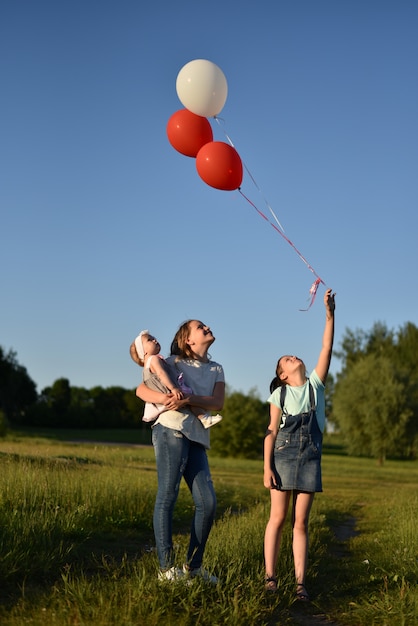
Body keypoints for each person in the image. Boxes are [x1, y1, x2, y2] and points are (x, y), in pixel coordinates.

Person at [135, 320, 225, 583]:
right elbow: (141, 389)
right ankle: (165, 570)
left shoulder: (216, 368)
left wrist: (186, 399)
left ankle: (193, 569)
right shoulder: (171, 361)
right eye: (200, 326)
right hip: (170, 429)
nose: (207, 327)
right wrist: (166, 399)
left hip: (197, 437)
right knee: (168, 494)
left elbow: (217, 402)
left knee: (207, 503)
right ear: (188, 340)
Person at [263, 288, 336, 600]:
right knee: (278, 519)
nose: (294, 357)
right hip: (281, 458)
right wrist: (266, 467)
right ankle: (270, 579)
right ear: (282, 374)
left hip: (309, 458)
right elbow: (270, 431)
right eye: (287, 359)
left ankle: (300, 584)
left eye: (293, 355)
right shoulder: (279, 395)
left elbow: (326, 345)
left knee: (300, 523)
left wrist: (329, 312)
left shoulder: (315, 386)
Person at [130, 330, 222, 428]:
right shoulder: (154, 359)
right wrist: (173, 388)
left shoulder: (147, 366)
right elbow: (161, 373)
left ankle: (204, 418)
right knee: (188, 397)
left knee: (188, 400)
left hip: (164, 397)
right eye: (150, 340)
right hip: (168, 392)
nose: (155, 341)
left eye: (154, 338)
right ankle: (204, 418)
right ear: (144, 351)